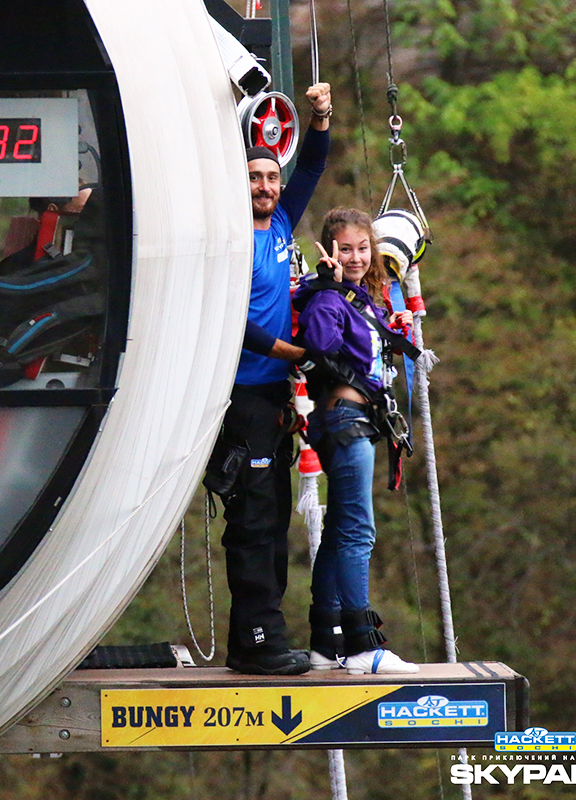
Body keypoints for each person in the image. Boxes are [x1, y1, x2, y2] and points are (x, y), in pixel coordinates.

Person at [216, 82, 330, 676]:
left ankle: (261, 635)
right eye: (254, 178)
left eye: (270, 179)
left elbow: (313, 163)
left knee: (274, 513)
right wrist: (293, 351)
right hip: (240, 394)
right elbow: (232, 320)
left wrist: (319, 119)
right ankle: (258, 639)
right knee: (254, 518)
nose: (264, 187)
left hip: (272, 394)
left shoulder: (283, 221)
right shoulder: (232, 235)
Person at [293, 207, 420, 675]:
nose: (356, 257)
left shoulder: (361, 300)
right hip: (346, 422)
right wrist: (326, 287)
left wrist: (395, 323)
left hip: (357, 421)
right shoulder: (329, 298)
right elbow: (321, 345)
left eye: (363, 248)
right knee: (356, 531)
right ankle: (364, 644)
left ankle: (326, 643)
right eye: (345, 249)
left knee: (339, 533)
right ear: (329, 251)